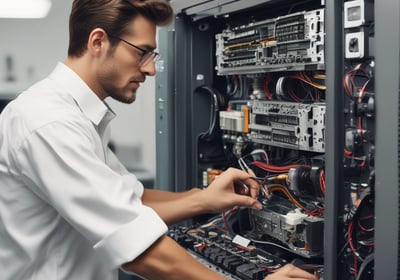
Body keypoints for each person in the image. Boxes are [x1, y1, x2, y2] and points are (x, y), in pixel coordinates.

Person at [0, 0, 318, 279]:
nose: (151, 69)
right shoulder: (50, 122)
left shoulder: (72, 114)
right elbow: (137, 247)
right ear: (98, 41)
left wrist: (203, 198)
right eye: (142, 52)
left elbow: (130, 201)